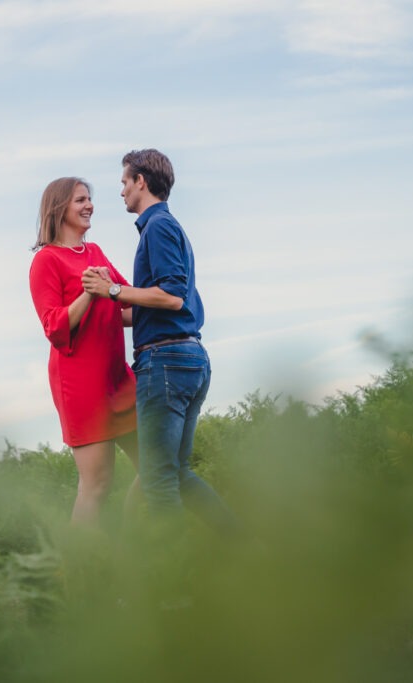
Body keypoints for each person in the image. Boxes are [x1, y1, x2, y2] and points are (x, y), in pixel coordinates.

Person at [81, 149, 239, 534]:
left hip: (166, 363)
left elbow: (171, 297)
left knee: (157, 480)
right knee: (177, 473)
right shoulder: (166, 227)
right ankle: (243, 546)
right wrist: (103, 309)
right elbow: (157, 306)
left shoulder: (158, 228)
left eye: (123, 183)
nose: (120, 192)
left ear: (141, 181)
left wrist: (113, 289)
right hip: (187, 359)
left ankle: (177, 576)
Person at [29, 177, 140, 526]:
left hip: (118, 378)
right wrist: (90, 293)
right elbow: (54, 326)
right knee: (97, 485)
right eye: (80, 200)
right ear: (59, 207)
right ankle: (78, 575)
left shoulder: (94, 253)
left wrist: (163, 308)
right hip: (81, 385)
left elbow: (124, 304)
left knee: (158, 466)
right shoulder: (45, 261)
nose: (89, 205)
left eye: (89, 198)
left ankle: (134, 547)